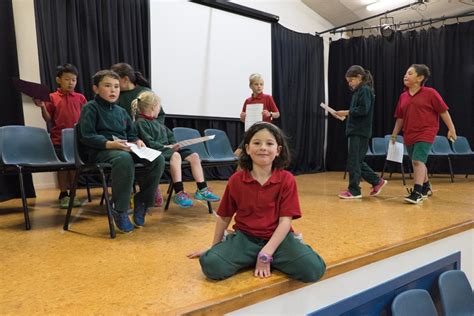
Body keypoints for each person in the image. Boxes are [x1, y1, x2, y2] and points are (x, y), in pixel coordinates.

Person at [188, 122, 326, 282]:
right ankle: (252, 255)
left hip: (278, 239)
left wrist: (266, 253)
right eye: (257, 143)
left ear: (278, 150)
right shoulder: (236, 180)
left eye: (269, 143)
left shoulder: (287, 179)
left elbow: (285, 222)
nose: (263, 148)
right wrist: (215, 248)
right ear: (247, 148)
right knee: (211, 265)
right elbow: (224, 217)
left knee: (313, 269)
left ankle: (268, 255)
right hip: (244, 238)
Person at [78, 70, 165, 233]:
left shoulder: (121, 111)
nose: (113, 90)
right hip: (100, 151)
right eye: (108, 86)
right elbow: (87, 136)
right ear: (96, 89)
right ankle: (121, 209)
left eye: (116, 87)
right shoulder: (90, 108)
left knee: (158, 159)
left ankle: (142, 201)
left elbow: (131, 134)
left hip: (123, 147)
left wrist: (137, 141)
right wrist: (111, 144)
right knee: (124, 158)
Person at [132, 91, 220, 208]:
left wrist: (174, 144)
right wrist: (166, 147)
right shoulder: (141, 123)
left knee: (194, 156)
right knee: (176, 156)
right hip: (157, 152)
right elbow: (149, 143)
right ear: (153, 107)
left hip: (168, 150)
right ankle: (179, 192)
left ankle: (202, 190)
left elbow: (170, 136)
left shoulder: (158, 123)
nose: (160, 109)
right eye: (159, 106)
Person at [391, 64, 457, 204]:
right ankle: (426, 186)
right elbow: (400, 118)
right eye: (406, 73)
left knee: (417, 161)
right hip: (409, 133)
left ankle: (417, 192)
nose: (405, 75)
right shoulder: (403, 96)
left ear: (420, 78)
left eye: (410, 73)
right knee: (417, 161)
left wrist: (451, 129)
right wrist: (394, 134)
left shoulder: (430, 93)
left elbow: (443, 111)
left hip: (427, 131)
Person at [111, 62, 165, 206]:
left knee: (154, 157)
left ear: (125, 79)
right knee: (125, 158)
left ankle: (150, 189)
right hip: (126, 139)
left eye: (116, 82)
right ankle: (126, 194)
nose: (113, 86)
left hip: (146, 138)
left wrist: (148, 129)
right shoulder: (116, 97)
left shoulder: (145, 92)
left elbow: (160, 116)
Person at [33, 63, 87, 208]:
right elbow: (48, 119)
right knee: (62, 168)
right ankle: (64, 194)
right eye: (67, 79)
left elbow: (85, 117)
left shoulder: (80, 97)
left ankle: (73, 194)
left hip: (76, 138)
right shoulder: (51, 97)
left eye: (74, 80)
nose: (71, 83)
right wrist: (43, 106)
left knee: (74, 167)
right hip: (59, 139)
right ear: (58, 80)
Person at [334, 65, 387, 199]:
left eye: (351, 80)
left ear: (359, 77)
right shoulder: (359, 91)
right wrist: (346, 114)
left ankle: (354, 190)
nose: (350, 84)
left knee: (354, 161)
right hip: (355, 130)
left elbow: (364, 109)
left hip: (359, 131)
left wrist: (346, 112)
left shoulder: (365, 90)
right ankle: (376, 181)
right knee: (356, 161)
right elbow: (358, 110)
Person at [235, 73, 280, 157]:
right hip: (251, 131)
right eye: (256, 84)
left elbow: (277, 114)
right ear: (250, 86)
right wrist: (242, 117)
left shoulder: (268, 97)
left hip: (265, 132)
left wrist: (269, 113)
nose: (259, 86)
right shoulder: (248, 101)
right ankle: (241, 170)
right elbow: (243, 120)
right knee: (237, 155)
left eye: (261, 84)